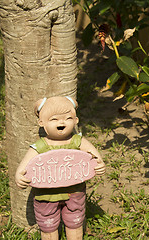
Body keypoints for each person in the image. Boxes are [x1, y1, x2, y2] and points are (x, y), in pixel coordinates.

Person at [15, 96, 106, 240]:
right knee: (48, 226)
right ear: (41, 123)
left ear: (76, 121)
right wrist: (19, 175)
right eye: (54, 119)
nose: (61, 122)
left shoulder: (77, 141)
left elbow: (95, 157)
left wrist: (99, 164)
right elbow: (25, 165)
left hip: (74, 193)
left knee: (75, 223)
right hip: (45, 196)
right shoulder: (41, 146)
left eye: (68, 118)